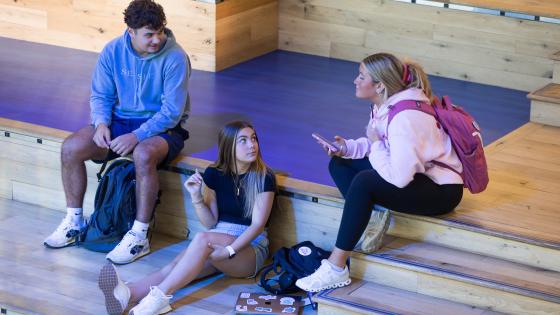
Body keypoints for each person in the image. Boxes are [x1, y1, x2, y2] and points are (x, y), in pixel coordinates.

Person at [296, 53, 464, 292]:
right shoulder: (385, 105)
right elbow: (384, 145)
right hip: (416, 175)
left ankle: (336, 266)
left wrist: (374, 145)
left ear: (380, 86)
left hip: (441, 190)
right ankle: (374, 216)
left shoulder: (405, 117)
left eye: (361, 76)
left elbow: (399, 175)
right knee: (340, 164)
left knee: (365, 182)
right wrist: (348, 148)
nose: (355, 80)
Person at [43, 0, 191, 265]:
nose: (157, 39)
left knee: (144, 154)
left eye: (160, 31)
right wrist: (101, 123)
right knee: (71, 148)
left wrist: (137, 136)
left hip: (164, 127)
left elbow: (171, 113)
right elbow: (101, 95)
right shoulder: (112, 51)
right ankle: (74, 221)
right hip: (119, 122)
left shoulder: (176, 57)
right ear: (131, 32)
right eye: (149, 34)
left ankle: (139, 236)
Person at [98, 121, 277, 315]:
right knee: (174, 268)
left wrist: (229, 250)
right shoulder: (214, 174)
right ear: (228, 145)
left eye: (253, 139)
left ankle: (160, 298)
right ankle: (127, 295)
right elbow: (211, 222)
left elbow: (258, 225)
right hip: (218, 241)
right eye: (243, 140)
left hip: (249, 250)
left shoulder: (264, 176)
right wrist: (196, 197)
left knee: (202, 239)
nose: (252, 145)